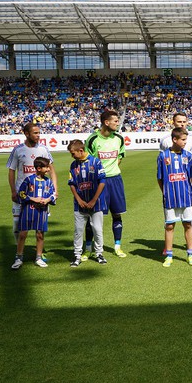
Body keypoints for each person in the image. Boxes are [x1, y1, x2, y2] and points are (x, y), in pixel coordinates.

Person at [160, 112, 192, 255]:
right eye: (179, 121)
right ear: (173, 123)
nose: (182, 124)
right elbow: (163, 163)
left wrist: (187, 174)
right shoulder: (165, 141)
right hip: (174, 184)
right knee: (171, 216)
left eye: (184, 121)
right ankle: (168, 247)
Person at [7, 122, 57, 245]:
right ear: (26, 134)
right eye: (35, 133)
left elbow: (52, 171)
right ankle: (18, 251)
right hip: (22, 193)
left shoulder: (43, 149)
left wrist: (55, 190)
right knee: (17, 225)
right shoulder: (18, 150)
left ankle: (40, 253)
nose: (38, 135)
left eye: (39, 133)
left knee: (40, 227)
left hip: (41, 194)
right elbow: (12, 171)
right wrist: (13, 191)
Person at [85, 109, 127, 258]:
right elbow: (87, 162)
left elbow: (120, 157)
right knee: (93, 216)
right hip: (97, 182)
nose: (118, 123)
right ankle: (88, 248)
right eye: (115, 121)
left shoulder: (119, 139)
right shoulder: (92, 139)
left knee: (117, 214)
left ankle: (117, 246)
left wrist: (111, 170)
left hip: (115, 180)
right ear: (106, 122)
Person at [157, 127, 192, 267]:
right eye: (183, 139)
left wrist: (185, 190)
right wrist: (166, 192)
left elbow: (190, 177)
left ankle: (190, 254)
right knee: (169, 226)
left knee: (188, 224)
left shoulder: (188, 156)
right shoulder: (163, 156)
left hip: (185, 197)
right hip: (170, 198)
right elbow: (160, 178)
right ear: (175, 139)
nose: (185, 142)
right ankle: (169, 255)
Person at [67, 139, 107, 267]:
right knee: (78, 230)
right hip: (79, 204)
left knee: (97, 229)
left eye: (73, 153)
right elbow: (72, 184)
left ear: (81, 150)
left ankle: (99, 253)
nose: (72, 156)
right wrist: (79, 199)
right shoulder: (73, 165)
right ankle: (77, 255)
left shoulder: (96, 162)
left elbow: (102, 181)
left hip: (96, 203)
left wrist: (94, 200)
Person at [11, 157, 56, 270]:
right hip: (28, 210)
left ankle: (39, 257)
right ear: (39, 168)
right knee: (23, 234)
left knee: (40, 234)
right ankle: (19, 257)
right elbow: (21, 193)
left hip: (42, 211)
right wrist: (33, 199)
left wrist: (47, 200)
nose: (48, 169)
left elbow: (53, 194)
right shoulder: (29, 180)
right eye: (46, 167)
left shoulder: (48, 181)